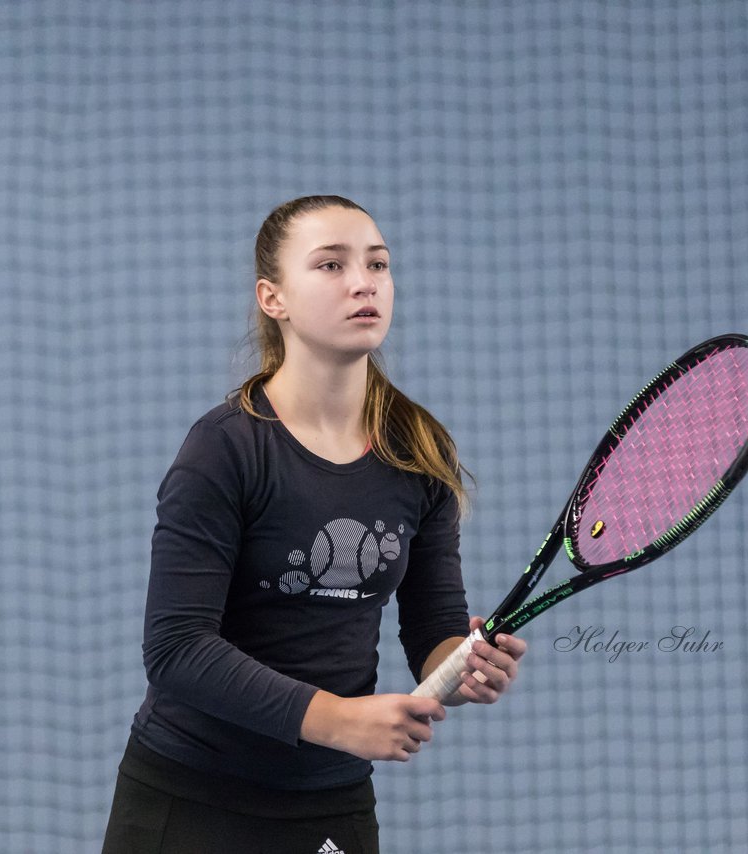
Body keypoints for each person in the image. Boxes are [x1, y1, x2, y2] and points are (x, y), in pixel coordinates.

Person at [101, 195, 527, 854]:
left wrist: (461, 667)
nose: (364, 282)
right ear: (274, 299)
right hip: (189, 797)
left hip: (330, 802)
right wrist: (336, 719)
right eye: (331, 265)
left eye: (377, 265)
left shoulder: (419, 450)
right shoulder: (226, 449)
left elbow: (435, 626)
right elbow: (176, 649)